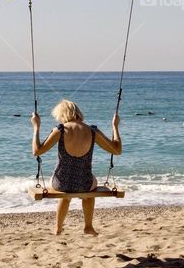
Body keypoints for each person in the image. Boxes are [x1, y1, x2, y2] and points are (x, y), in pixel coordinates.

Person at [32, 99, 122, 236]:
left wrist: (36, 127)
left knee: (65, 192)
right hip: (84, 184)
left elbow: (37, 151)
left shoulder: (60, 130)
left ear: (63, 115)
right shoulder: (92, 131)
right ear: (77, 112)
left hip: (60, 184)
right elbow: (117, 150)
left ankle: (58, 227)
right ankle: (88, 226)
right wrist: (115, 126)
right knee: (91, 188)